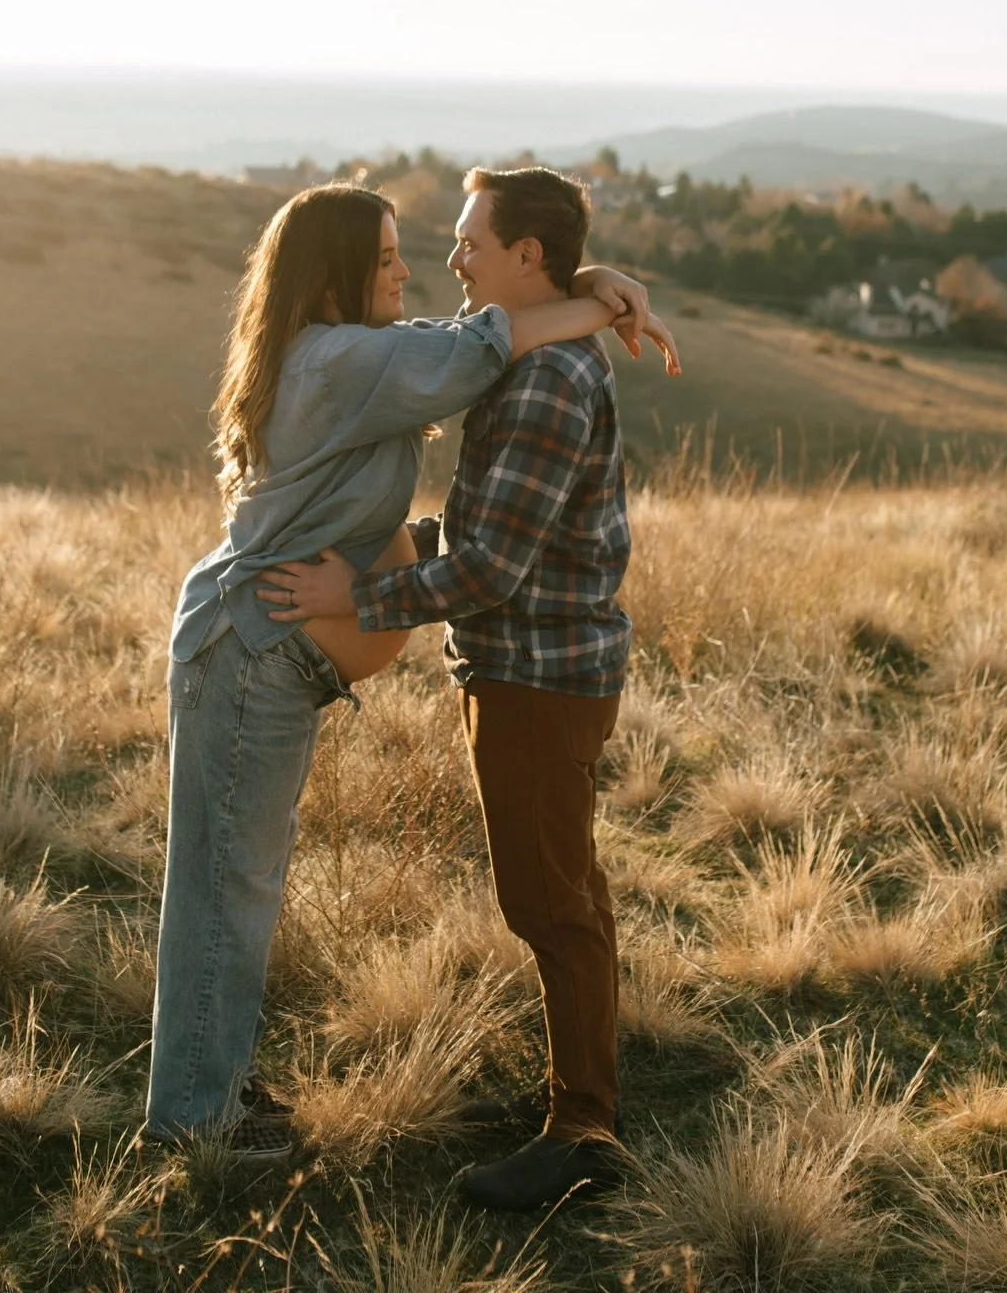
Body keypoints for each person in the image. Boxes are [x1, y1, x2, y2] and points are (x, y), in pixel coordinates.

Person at [145, 180, 663, 1155]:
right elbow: (479, 344)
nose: (418, 269)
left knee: (240, 882)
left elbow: (476, 379)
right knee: (227, 885)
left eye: (458, 245)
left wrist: (588, 279)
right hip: (251, 653)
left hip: (279, 659)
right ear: (336, 272)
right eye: (387, 258)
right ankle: (196, 1117)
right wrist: (596, 293)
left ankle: (213, 1092)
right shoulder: (346, 359)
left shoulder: (360, 352)